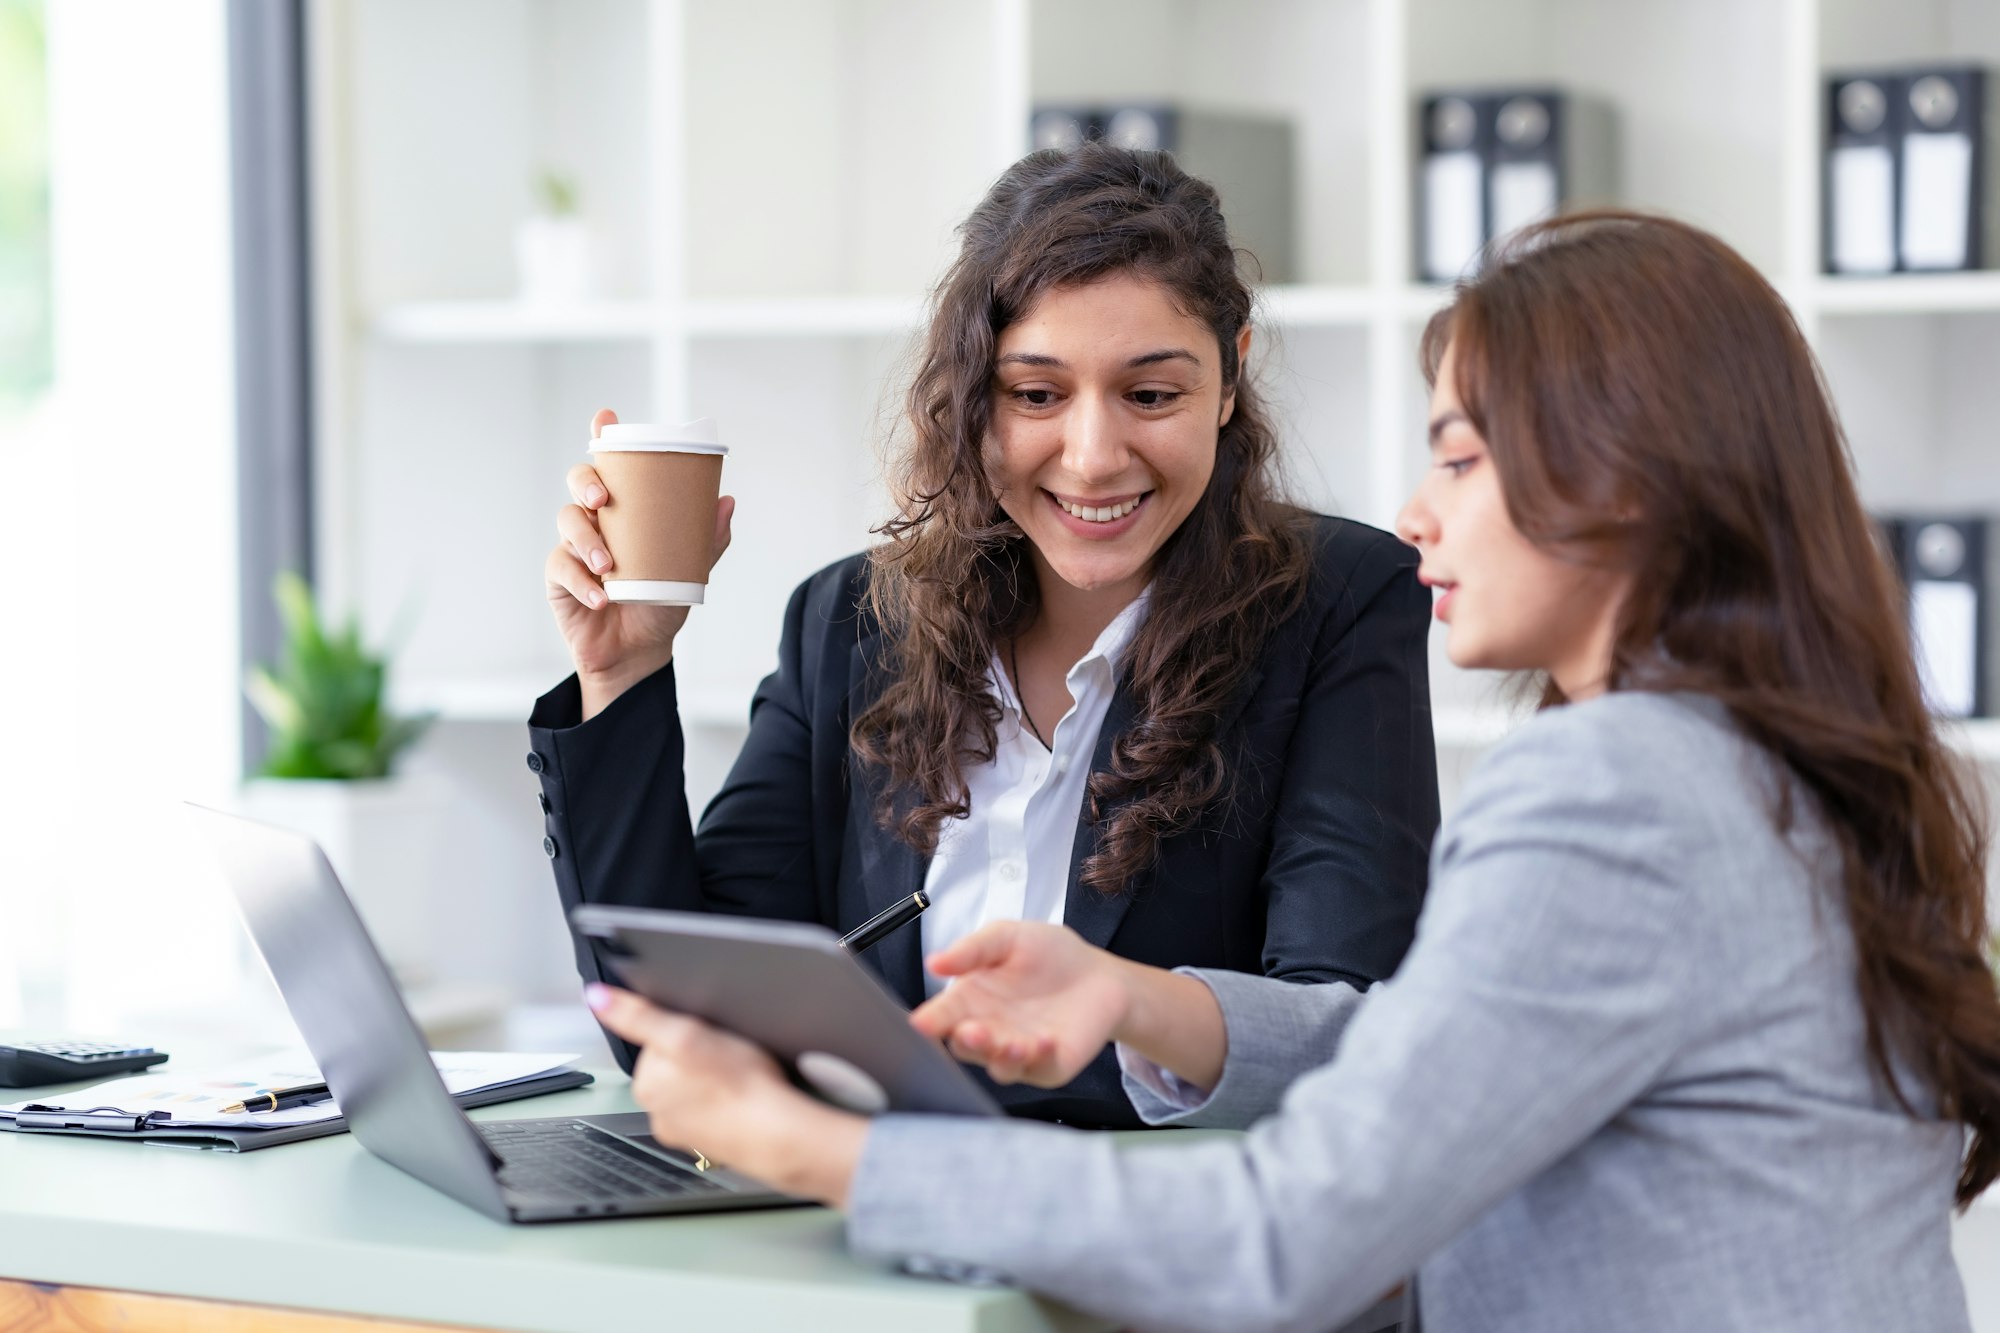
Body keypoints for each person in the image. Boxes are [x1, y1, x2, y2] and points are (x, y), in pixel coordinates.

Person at [585, 209, 2000, 1331]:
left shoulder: (1615, 796)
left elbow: (1289, 1237)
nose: (1413, 511)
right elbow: (1429, 1054)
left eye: (1457, 457)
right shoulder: (1767, 766)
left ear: (1618, 479)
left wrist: (813, 1148)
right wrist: (1135, 997)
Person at [531, 142, 1439, 1129]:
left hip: (1154, 1242)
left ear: (1228, 379)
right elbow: (666, 1025)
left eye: (1149, 393)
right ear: (970, 393)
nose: (1091, 459)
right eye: (1034, 394)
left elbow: (1340, 1030)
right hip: (860, 1226)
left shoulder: (1339, 601)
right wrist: (622, 668)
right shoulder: (850, 622)